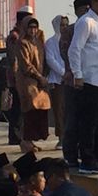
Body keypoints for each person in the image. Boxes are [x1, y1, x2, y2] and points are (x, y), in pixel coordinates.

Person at [68, 0, 98, 174]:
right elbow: (74, 49)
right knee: (87, 123)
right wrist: (77, 74)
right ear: (94, 2)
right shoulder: (86, 22)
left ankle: (95, 157)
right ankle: (86, 160)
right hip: (88, 80)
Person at [60, 0, 91, 167]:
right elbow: (66, 53)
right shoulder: (70, 30)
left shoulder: (94, 25)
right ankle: (70, 155)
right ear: (77, 11)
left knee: (86, 121)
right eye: (84, 8)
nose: (87, 11)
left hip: (90, 80)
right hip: (73, 81)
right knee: (72, 120)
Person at [15, 17, 51, 153]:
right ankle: (26, 141)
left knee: (40, 110)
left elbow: (44, 60)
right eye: (30, 27)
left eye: (35, 27)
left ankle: (31, 140)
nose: (33, 30)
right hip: (27, 82)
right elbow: (26, 65)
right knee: (29, 110)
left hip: (40, 81)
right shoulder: (22, 43)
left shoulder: (39, 42)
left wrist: (44, 77)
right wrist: (39, 77)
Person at [6, 6, 35, 144]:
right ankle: (16, 137)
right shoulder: (15, 37)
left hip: (20, 79)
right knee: (17, 109)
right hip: (17, 79)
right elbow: (14, 59)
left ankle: (19, 137)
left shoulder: (21, 36)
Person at [45, 15, 68, 150]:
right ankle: (61, 138)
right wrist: (63, 73)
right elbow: (50, 60)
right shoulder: (50, 42)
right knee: (59, 110)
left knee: (69, 111)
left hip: (69, 80)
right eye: (62, 25)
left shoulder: (70, 40)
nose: (64, 27)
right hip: (57, 81)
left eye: (66, 25)